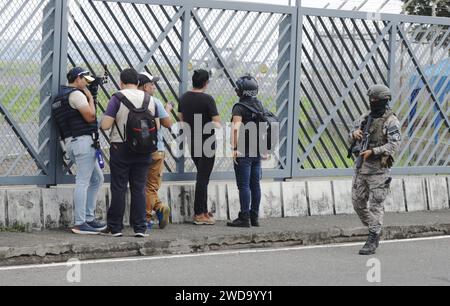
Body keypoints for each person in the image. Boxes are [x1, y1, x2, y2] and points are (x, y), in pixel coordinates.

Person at [101, 68, 158, 238]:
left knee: (119, 187)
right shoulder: (150, 99)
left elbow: (105, 125)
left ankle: (115, 227)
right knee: (139, 187)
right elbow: (156, 126)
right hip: (144, 148)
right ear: (139, 83)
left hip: (121, 147)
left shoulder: (117, 97)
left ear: (121, 82)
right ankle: (140, 227)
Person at [52, 67, 106, 235]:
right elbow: (90, 116)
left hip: (72, 142)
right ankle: (80, 222)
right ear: (77, 78)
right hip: (82, 141)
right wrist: (90, 97)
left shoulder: (59, 98)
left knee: (97, 178)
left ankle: (89, 218)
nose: (87, 84)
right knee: (83, 181)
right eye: (85, 80)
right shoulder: (76, 95)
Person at [349, 84, 401, 255]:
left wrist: (374, 151)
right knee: (357, 203)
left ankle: (372, 237)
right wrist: (354, 135)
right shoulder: (365, 117)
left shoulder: (391, 121)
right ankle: (376, 229)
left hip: (379, 170)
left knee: (375, 205)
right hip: (361, 168)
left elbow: (394, 145)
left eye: (375, 100)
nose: (372, 102)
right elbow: (351, 133)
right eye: (371, 99)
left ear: (384, 100)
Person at [178, 69, 221, 225]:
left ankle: (203, 211)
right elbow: (217, 123)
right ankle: (198, 214)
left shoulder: (183, 98)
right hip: (207, 142)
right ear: (205, 83)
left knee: (202, 176)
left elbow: (181, 120)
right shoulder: (208, 99)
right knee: (203, 178)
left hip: (192, 141)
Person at [227, 75, 265, 228]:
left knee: (244, 185)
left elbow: (236, 128)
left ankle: (244, 218)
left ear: (242, 91)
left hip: (243, 151)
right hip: (257, 150)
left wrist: (235, 148)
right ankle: (254, 217)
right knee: (255, 184)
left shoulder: (239, 107)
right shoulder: (259, 105)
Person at [138, 72, 173, 230]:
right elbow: (167, 123)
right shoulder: (155, 101)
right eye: (152, 84)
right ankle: (147, 217)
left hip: (136, 149)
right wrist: (167, 110)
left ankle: (158, 208)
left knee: (141, 184)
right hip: (155, 149)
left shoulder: (129, 99)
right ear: (145, 86)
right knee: (151, 186)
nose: (154, 86)